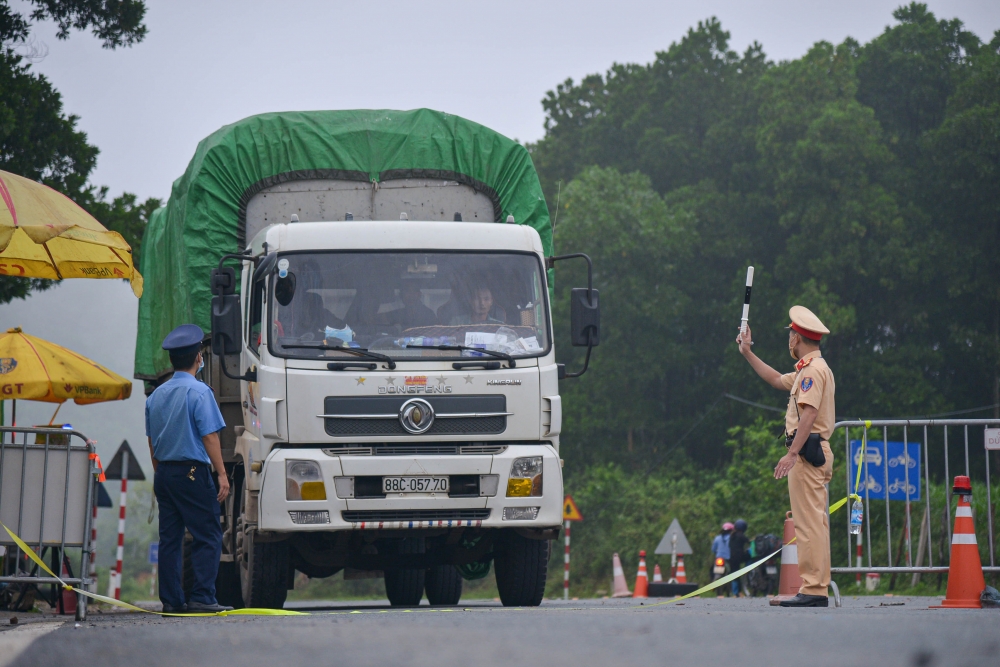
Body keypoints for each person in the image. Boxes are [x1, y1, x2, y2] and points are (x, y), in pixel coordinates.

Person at [737, 306, 835, 608]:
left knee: (809, 525)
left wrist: (792, 453)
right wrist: (747, 352)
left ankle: (815, 589)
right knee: (810, 523)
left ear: (798, 338)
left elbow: (810, 413)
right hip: (807, 452)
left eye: (791, 335)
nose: (789, 340)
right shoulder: (808, 369)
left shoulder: (814, 371)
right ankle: (813, 587)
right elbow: (777, 380)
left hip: (807, 453)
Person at [146, 324, 232, 614]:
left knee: (170, 539)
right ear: (199, 357)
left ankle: (171, 600)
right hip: (193, 473)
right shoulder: (199, 392)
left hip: (164, 473)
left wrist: (159, 471)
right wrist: (221, 473)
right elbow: (209, 436)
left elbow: (152, 440)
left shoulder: (155, 396)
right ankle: (203, 597)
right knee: (207, 534)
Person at [729, 519, 749, 596]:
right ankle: (748, 569)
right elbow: (749, 542)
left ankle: (735, 592)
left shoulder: (732, 535)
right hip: (740, 557)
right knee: (750, 556)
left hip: (732, 558)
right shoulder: (741, 535)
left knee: (734, 574)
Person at [711, 522, 733, 593]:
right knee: (731, 572)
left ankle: (714, 583)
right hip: (728, 559)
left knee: (716, 572)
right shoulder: (731, 538)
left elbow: (713, 549)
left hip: (719, 558)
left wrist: (717, 553)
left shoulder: (717, 538)